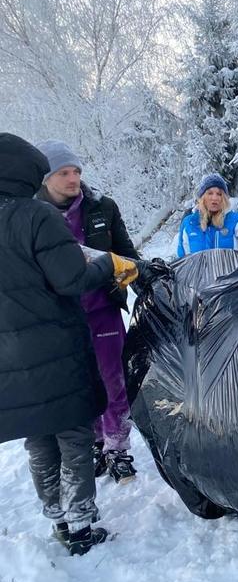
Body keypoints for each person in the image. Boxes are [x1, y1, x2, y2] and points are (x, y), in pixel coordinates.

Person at [0, 133, 143, 555]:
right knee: (74, 435)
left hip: (10, 354)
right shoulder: (35, 216)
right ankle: (81, 523)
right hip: (54, 346)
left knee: (39, 437)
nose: (71, 178)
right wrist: (109, 266)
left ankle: (58, 519)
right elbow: (72, 278)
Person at [36, 140, 139, 485]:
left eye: (76, 171)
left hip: (103, 310)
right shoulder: (34, 215)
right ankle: (97, 443)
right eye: (64, 172)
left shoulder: (102, 207)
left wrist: (145, 281)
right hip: (61, 319)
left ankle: (119, 448)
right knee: (82, 384)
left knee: (113, 380)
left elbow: (125, 252)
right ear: (47, 178)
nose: (73, 178)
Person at [177, 173, 238, 258]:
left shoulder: (236, 220)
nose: (214, 198)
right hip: (199, 273)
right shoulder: (189, 223)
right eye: (210, 193)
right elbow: (182, 260)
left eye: (219, 194)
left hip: (233, 272)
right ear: (202, 197)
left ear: (224, 198)